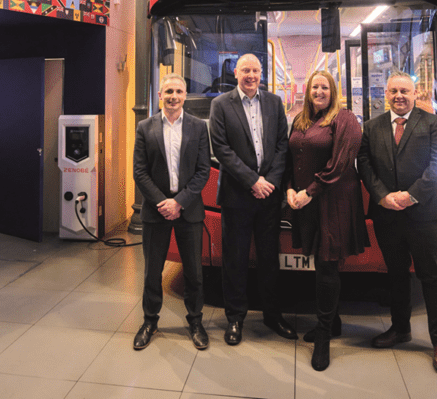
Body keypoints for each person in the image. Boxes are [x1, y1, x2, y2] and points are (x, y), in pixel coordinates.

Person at [356, 72, 437, 374]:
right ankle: (400, 329)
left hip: (424, 213)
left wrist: (410, 196)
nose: (399, 96)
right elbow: (365, 164)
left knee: (432, 278)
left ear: (415, 94)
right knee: (396, 275)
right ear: (385, 94)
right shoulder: (371, 127)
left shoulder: (432, 124)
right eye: (394, 91)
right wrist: (383, 196)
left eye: (405, 91)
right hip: (387, 214)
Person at [209, 53, 296, 345]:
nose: (251, 75)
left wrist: (269, 182)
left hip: (268, 198)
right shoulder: (220, 105)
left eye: (256, 70)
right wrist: (252, 181)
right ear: (236, 72)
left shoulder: (274, 102)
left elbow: (282, 145)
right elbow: (221, 148)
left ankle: (273, 315)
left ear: (262, 73)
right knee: (234, 260)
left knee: (270, 259)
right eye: (246, 70)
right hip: (237, 196)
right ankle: (235, 319)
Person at [284, 70, 368, 371]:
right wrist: (291, 188)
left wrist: (310, 191)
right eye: (314, 87)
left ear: (333, 91)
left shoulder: (345, 119)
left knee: (328, 265)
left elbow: (340, 164)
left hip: (333, 201)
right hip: (307, 201)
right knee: (320, 263)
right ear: (307, 92)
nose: (319, 91)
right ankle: (332, 323)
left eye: (324, 87)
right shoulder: (301, 120)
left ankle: (323, 336)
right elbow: (290, 160)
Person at [131, 74, 211, 351]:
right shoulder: (145, 127)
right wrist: (162, 202)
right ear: (160, 95)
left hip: (189, 211)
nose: (173, 96)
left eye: (178, 91)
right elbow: (139, 172)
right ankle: (149, 321)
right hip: (156, 212)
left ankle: (196, 322)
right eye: (168, 91)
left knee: (194, 272)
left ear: (185, 95)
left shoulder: (199, 127)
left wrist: (180, 202)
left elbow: (203, 172)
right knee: (153, 271)